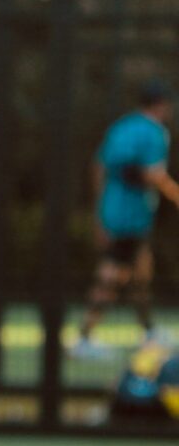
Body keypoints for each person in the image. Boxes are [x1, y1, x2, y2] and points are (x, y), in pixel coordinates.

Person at [75, 81, 179, 360]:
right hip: (131, 217)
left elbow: (98, 167)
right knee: (113, 275)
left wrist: (100, 209)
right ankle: (84, 337)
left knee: (141, 271)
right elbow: (152, 174)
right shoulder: (155, 133)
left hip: (115, 212)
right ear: (162, 106)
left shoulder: (121, 127)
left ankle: (148, 331)